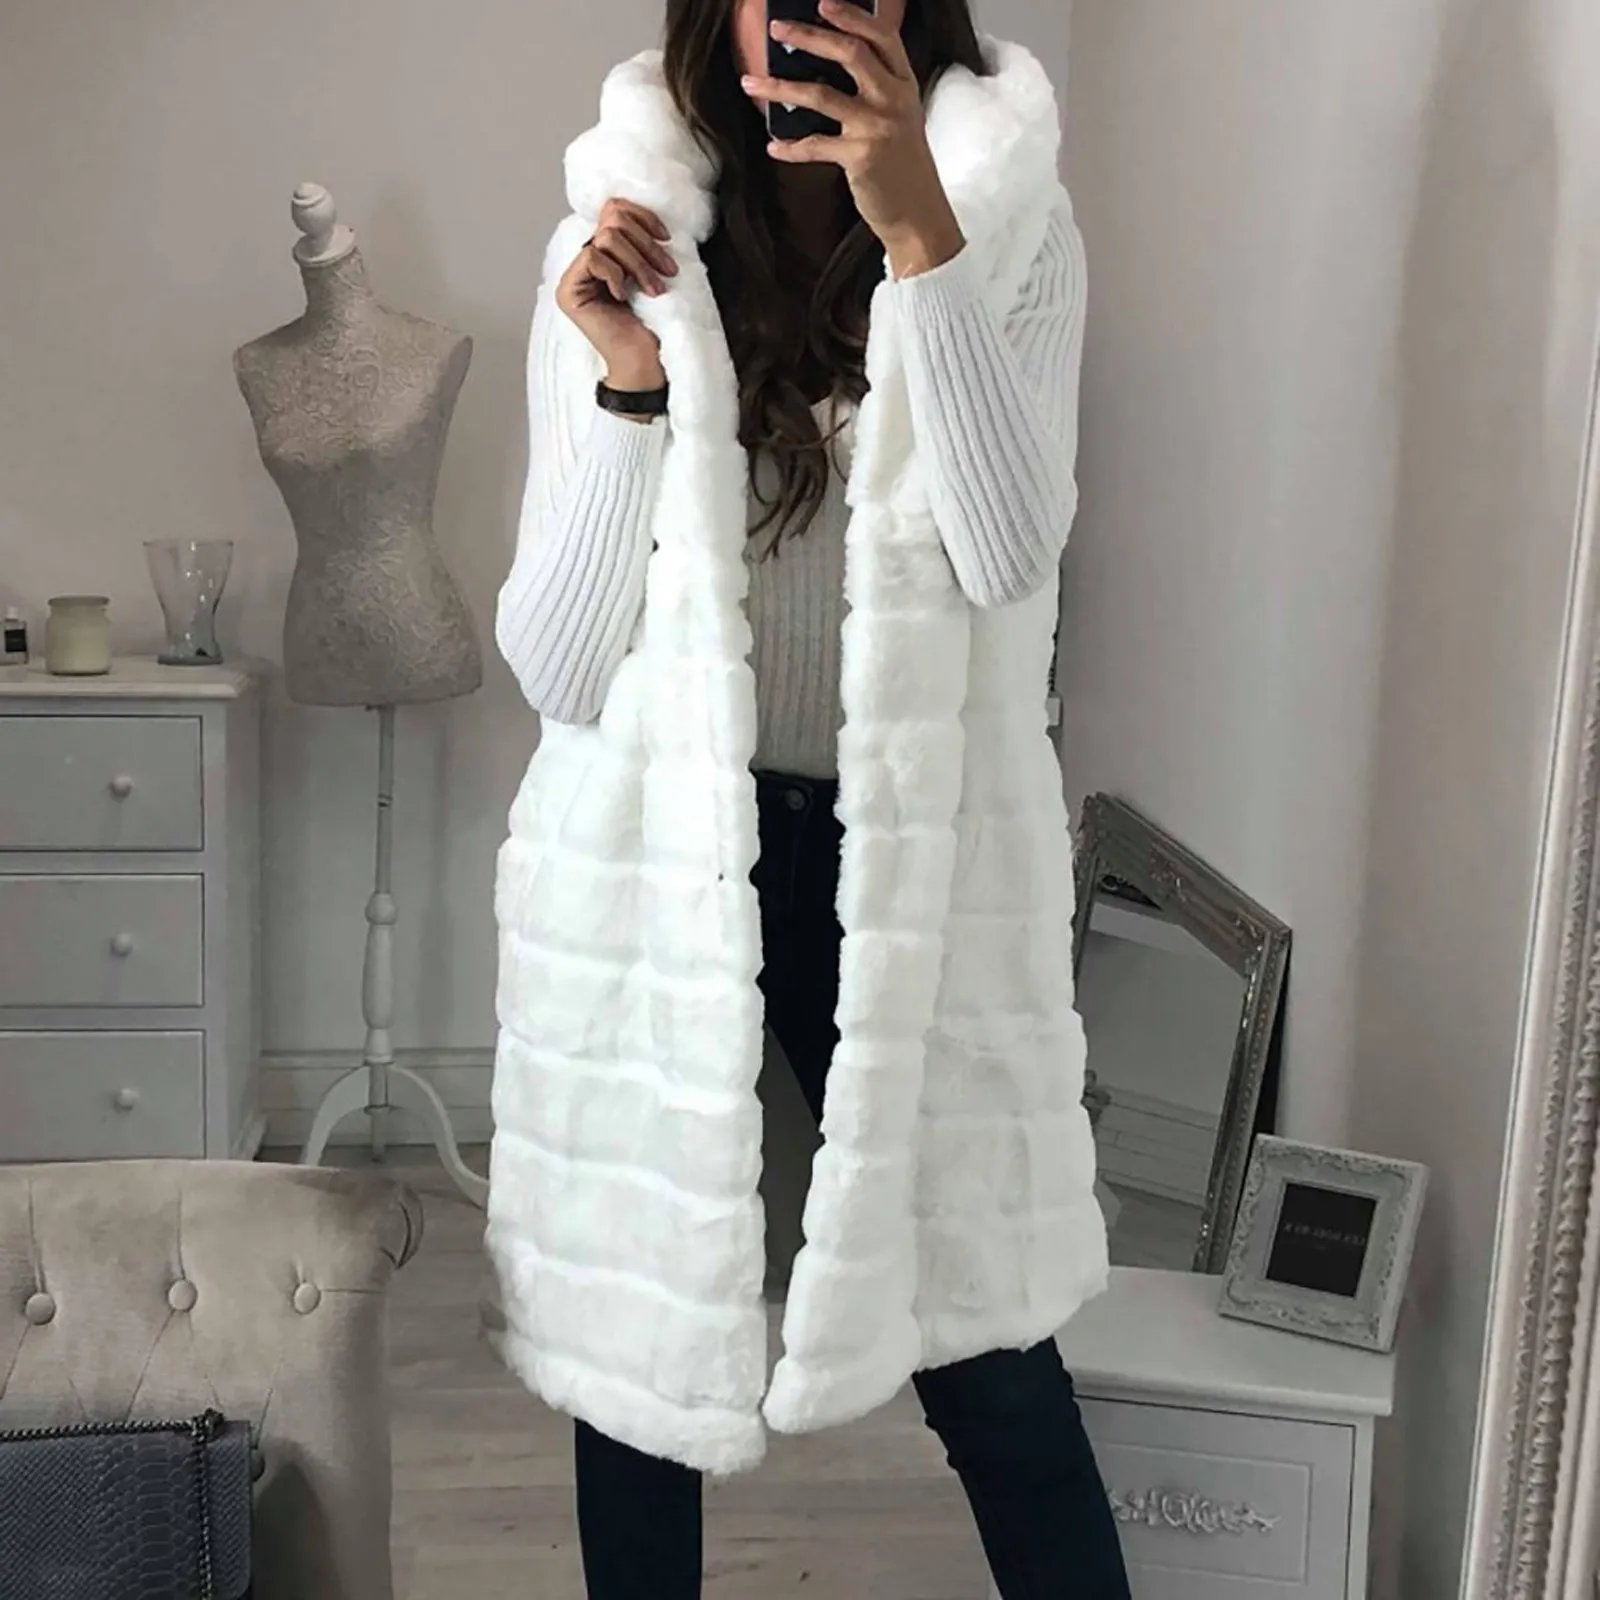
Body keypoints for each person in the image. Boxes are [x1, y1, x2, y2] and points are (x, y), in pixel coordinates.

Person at [489, 0, 1130, 1595]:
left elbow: (1008, 557)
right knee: (643, 1365)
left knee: (991, 1360)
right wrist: (630, 386)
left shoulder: (1016, 230)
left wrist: (925, 240)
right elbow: (558, 664)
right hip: (663, 857)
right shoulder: (623, 248)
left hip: (906, 867)